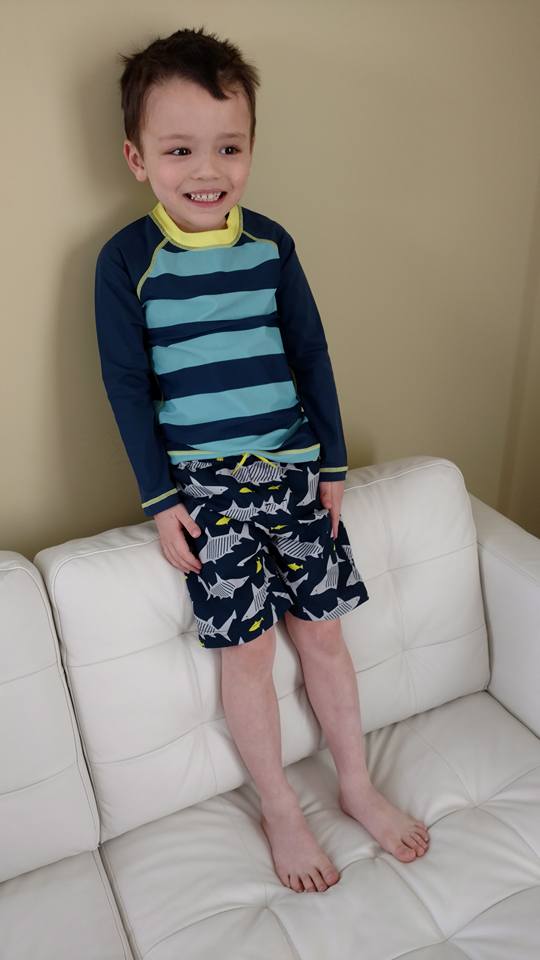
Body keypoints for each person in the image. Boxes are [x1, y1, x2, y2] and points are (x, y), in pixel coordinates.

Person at [94, 25, 430, 894]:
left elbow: (311, 352)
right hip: (207, 491)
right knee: (244, 654)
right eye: (180, 149)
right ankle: (280, 807)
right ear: (138, 159)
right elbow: (127, 385)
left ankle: (355, 784)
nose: (206, 170)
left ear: (250, 148)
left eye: (229, 147)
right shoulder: (127, 262)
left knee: (324, 637)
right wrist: (160, 499)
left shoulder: (273, 244)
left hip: (294, 470)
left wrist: (333, 463)